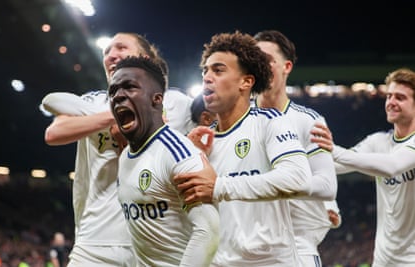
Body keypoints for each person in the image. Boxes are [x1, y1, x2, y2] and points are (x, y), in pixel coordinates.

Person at [174, 31, 315, 266]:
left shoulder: (270, 122)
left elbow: (298, 178)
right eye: (205, 71)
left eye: (218, 70)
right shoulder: (200, 143)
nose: (207, 77)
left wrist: (220, 186)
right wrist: (191, 155)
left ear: (246, 82)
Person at [41, 32, 166, 267]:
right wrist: (115, 116)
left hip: (153, 240)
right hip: (96, 240)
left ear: (146, 58)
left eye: (121, 47)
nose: (111, 55)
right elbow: (54, 133)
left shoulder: (173, 102)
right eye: (106, 51)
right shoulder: (92, 102)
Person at [108, 55, 219, 266]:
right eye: (112, 91)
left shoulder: (177, 153)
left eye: (129, 87)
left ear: (156, 99)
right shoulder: (125, 158)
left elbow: (209, 231)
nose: (118, 96)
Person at [252, 29, 341, 266]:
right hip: (245, 250)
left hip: (296, 249)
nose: (260, 66)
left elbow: (326, 183)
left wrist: (263, 184)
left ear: (287, 67)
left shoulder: (309, 121)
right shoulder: (235, 120)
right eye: (255, 60)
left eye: (268, 60)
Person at [312, 67, 415, 267]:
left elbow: (392, 166)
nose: (391, 102)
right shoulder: (378, 142)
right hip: (383, 259)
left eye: (400, 98)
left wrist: (335, 149)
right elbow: (337, 165)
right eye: (389, 96)